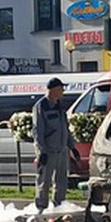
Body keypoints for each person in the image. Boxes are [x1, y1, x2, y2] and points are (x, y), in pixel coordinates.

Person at [32, 77, 77, 212]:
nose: (63, 91)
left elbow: (65, 127)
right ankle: (41, 208)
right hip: (48, 151)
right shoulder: (41, 106)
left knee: (61, 181)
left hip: (62, 150)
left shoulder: (59, 106)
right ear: (53, 90)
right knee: (44, 181)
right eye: (61, 88)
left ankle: (59, 207)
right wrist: (41, 151)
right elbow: (37, 130)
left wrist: (72, 146)